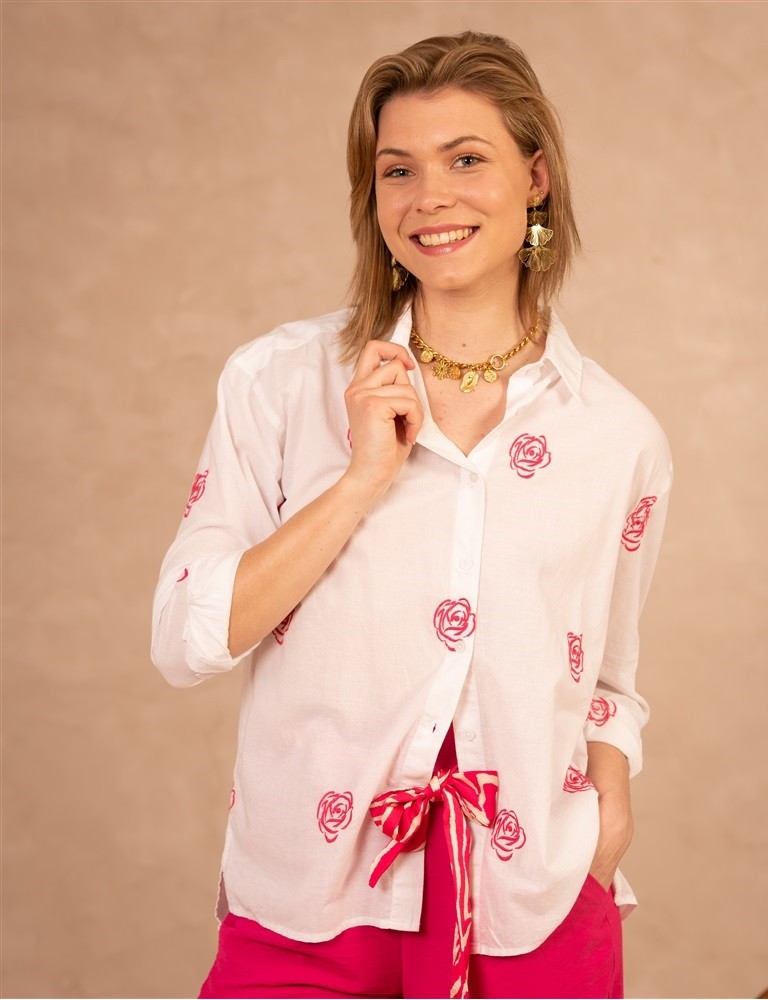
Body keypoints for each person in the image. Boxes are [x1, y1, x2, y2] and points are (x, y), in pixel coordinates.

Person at [151, 30, 672, 1000]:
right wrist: (359, 480)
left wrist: (608, 804)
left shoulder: (618, 435)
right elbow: (186, 637)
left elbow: (607, 673)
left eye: (465, 159)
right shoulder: (279, 383)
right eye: (398, 170)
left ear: (535, 178)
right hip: (310, 897)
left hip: (531, 902)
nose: (430, 196)